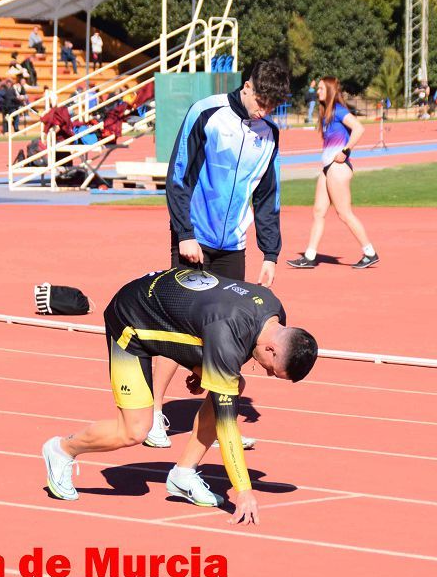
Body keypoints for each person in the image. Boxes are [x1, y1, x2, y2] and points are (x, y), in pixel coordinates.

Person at [40, 268, 318, 526]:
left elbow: (216, 330)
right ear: (271, 349)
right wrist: (244, 491)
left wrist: (204, 371)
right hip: (130, 318)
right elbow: (227, 424)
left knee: (232, 385)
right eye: (272, 370)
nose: (268, 374)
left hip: (173, 309)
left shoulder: (273, 311)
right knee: (134, 431)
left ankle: (183, 474)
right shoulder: (228, 331)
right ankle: (62, 450)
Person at [143, 59, 289, 451]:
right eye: (261, 101)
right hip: (195, 240)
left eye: (272, 106)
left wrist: (270, 253)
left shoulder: (269, 134)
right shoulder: (206, 113)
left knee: (231, 337)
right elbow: (178, 176)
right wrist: (184, 234)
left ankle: (220, 426)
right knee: (177, 329)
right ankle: (154, 413)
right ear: (247, 86)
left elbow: (267, 197)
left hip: (233, 247)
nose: (264, 110)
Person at [288, 75, 379, 270]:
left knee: (344, 213)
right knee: (319, 212)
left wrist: (346, 151)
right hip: (327, 168)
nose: (317, 91)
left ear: (329, 90)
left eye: (320, 88)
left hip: (338, 168)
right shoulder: (326, 114)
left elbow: (359, 128)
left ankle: (370, 252)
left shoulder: (338, 110)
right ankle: (310, 256)